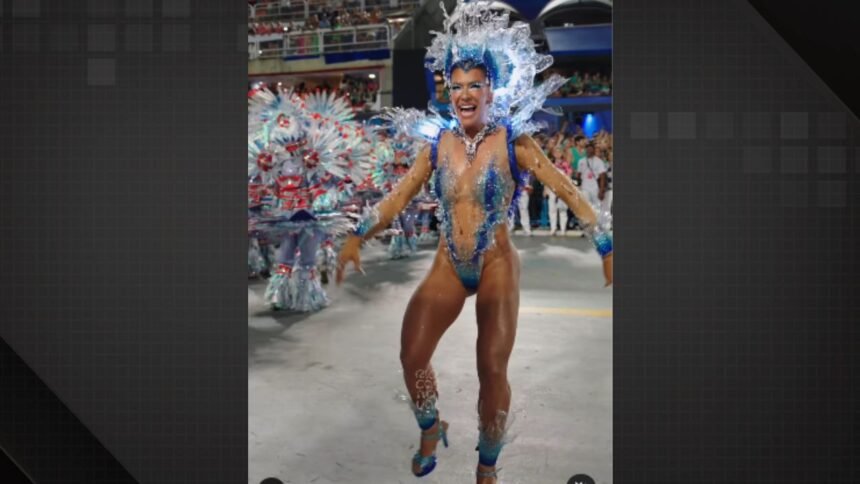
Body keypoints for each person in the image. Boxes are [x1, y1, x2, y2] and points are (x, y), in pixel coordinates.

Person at [336, 2, 612, 482]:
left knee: (491, 369)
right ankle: (430, 426)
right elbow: (399, 196)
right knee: (412, 355)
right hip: (449, 263)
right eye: (456, 86)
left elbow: (568, 190)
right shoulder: (436, 145)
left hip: (495, 264)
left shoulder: (513, 141)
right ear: (448, 90)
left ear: (490, 90)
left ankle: (487, 466)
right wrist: (358, 233)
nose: (464, 95)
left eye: (473, 86)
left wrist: (606, 245)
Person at [546, 145, 572, 235]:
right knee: (552, 209)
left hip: (563, 188)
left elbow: (568, 176)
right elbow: (547, 177)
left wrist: (567, 187)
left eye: (559, 151)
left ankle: (563, 228)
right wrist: (546, 188)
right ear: (553, 154)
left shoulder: (565, 164)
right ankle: (553, 228)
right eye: (556, 152)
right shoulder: (550, 164)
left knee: (562, 208)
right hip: (552, 188)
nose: (557, 153)